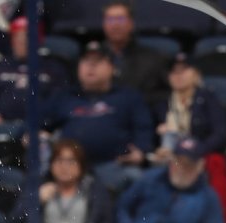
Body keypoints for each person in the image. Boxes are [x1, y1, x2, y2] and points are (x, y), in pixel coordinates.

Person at [42, 40, 154, 193]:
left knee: (138, 179)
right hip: (68, 167)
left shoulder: (128, 97)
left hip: (113, 165)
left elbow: (144, 127)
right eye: (86, 61)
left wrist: (141, 151)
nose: (91, 66)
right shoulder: (64, 96)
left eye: (98, 61)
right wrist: (33, 133)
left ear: (112, 67)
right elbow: (37, 122)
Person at [111, 136, 226, 223]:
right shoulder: (149, 179)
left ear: (200, 166)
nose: (181, 169)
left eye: (188, 164)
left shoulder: (208, 197)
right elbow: (122, 206)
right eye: (178, 162)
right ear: (171, 161)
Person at [0, 139, 115, 223]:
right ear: (51, 165)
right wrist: (36, 201)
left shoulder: (94, 189)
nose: (64, 167)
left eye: (71, 161)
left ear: (81, 166)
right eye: (59, 161)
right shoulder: (37, 188)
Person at [151, 52, 226, 223]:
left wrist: (198, 151)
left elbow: (220, 133)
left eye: (184, 70)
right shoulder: (161, 103)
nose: (179, 75)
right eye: (174, 71)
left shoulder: (208, 99)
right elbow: (150, 133)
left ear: (196, 74)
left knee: (216, 164)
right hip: (171, 156)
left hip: (203, 154)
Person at [0, 15, 68, 125]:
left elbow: (60, 100)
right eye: (17, 37)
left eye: (27, 37)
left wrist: (44, 123)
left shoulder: (53, 69)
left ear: (39, 40)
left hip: (40, 127)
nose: (22, 41)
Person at [101, 0, 169, 105]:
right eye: (110, 20)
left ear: (131, 23)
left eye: (121, 19)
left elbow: (165, 94)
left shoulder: (153, 59)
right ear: (103, 24)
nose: (115, 25)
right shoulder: (93, 58)